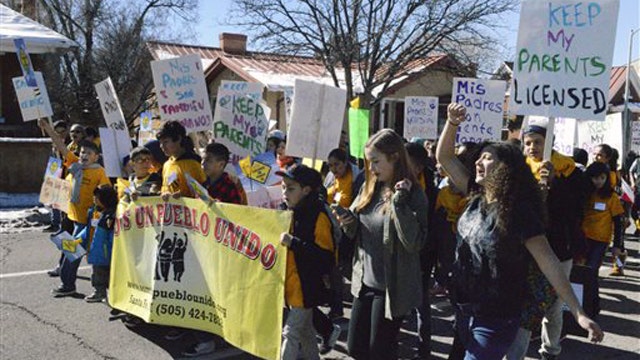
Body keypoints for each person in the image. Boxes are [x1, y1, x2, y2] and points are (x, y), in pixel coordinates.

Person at [436, 103, 603, 360]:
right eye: (480, 157)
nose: (479, 161)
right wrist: (452, 123)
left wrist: (579, 312)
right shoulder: (476, 194)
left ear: (506, 169)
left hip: (497, 315)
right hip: (465, 308)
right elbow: (444, 158)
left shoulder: (520, 213)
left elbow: (550, 264)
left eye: (488, 157)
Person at [336, 129, 429, 359]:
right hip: (364, 281)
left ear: (395, 157)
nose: (372, 168)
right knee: (355, 348)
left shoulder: (414, 194)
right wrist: (347, 221)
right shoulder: (369, 187)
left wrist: (400, 203)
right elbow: (357, 229)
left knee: (378, 352)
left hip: (391, 290)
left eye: (376, 161)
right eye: (369, 162)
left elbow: (414, 242)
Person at [507, 124, 589, 360]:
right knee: (523, 304)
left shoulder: (571, 171)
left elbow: (577, 208)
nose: (532, 147)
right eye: (528, 142)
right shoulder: (519, 170)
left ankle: (550, 350)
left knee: (553, 306)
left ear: (549, 143)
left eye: (538, 142)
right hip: (526, 248)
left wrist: (555, 183)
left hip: (559, 249)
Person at [38, 119, 111, 297]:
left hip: (89, 222)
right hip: (74, 219)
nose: (84, 155)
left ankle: (74, 286)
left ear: (96, 157)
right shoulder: (75, 166)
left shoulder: (99, 172)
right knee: (70, 253)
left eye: (89, 153)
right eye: (82, 152)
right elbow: (61, 146)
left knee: (74, 254)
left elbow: (107, 194)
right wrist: (48, 128)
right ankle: (72, 285)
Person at [277, 164, 335, 360]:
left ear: (306, 190)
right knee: (306, 332)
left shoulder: (318, 216)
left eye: (290, 188)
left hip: (306, 286)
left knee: (290, 333)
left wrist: (294, 243)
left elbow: (325, 257)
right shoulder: (285, 210)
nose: (285, 192)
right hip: (290, 286)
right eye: (283, 187)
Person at [577, 162, 624, 297]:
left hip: (600, 240)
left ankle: (592, 303)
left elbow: (618, 221)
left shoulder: (611, 197)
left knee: (592, 271)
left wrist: (617, 245)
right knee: (580, 270)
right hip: (583, 237)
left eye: (602, 178)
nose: (599, 181)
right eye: (595, 178)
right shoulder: (585, 193)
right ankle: (581, 301)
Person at [74, 185, 118, 302]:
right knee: (97, 274)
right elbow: (88, 230)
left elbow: (114, 236)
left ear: (106, 199)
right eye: (94, 197)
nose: (94, 199)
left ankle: (115, 296)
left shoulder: (112, 216)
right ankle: (99, 292)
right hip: (95, 250)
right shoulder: (94, 212)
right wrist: (77, 240)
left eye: (97, 197)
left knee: (111, 276)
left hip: (107, 252)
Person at [157, 121, 206, 200]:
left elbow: (202, 195)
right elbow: (165, 187)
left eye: (166, 142)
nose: (162, 146)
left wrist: (183, 196)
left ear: (178, 139)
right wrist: (164, 193)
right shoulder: (167, 164)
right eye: (160, 143)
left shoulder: (193, 164)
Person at [43, 120, 71, 233]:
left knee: (65, 198)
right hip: (55, 166)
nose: (60, 134)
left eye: (63, 131)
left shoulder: (70, 143)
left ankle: (64, 222)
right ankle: (54, 222)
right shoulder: (54, 142)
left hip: (65, 169)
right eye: (57, 132)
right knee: (53, 197)